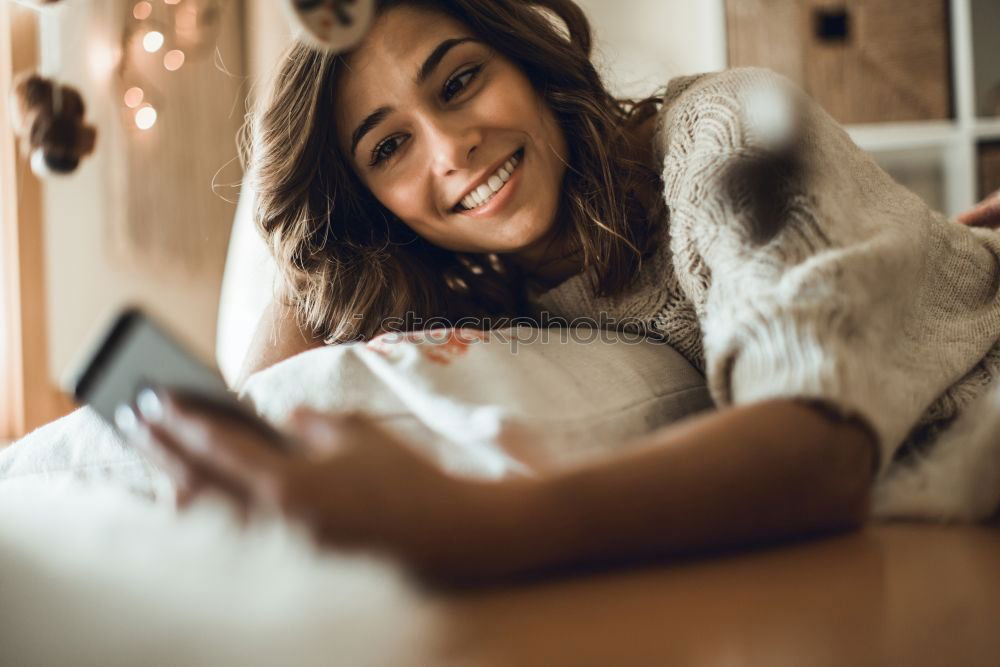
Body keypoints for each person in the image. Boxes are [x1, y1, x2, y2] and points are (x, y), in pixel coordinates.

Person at [119, 0, 1000, 583]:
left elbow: (820, 450)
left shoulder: (714, 132)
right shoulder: (498, 297)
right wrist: (322, 239)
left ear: (530, 62)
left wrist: (471, 525)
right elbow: (274, 394)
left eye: (460, 80)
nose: (451, 146)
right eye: (389, 148)